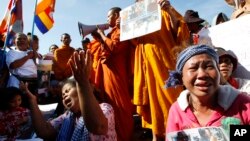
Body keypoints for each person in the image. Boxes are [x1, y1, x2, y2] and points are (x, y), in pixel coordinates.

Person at [22, 50, 117, 140]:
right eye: (62, 96)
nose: (64, 97)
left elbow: (98, 127)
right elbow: (44, 131)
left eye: (67, 91)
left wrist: (83, 82)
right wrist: (32, 101)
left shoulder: (105, 108)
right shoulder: (67, 116)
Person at [132, 0, 190, 140]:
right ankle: (157, 137)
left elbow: (181, 33)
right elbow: (135, 41)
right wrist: (125, 27)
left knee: (173, 102)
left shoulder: (164, 9)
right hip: (148, 66)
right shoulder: (138, 17)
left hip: (166, 64)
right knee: (154, 109)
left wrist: (170, 11)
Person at [165, 44, 250, 136]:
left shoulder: (242, 104)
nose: (202, 74)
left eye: (209, 66)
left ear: (218, 72)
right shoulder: (177, 111)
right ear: (181, 78)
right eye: (193, 68)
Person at [96, 7, 135, 141]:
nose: (107, 19)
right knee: (110, 103)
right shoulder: (112, 32)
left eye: (108, 16)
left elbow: (114, 47)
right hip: (109, 74)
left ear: (117, 15)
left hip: (118, 74)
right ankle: (114, 134)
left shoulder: (123, 30)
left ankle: (125, 136)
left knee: (121, 105)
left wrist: (102, 35)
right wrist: (101, 38)